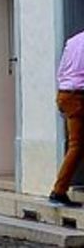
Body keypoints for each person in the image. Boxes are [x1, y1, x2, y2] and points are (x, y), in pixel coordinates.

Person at [52, 29, 84, 207]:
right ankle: (58, 190)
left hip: (66, 93)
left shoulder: (73, 41)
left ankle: (59, 190)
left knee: (76, 145)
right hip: (79, 96)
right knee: (77, 146)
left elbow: (62, 70)